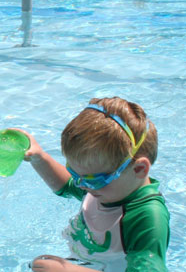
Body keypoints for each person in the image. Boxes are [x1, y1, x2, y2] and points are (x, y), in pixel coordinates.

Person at [16, 97, 170, 272]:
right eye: (75, 174)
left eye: (93, 179)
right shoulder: (106, 188)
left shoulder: (147, 217)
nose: (81, 185)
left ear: (139, 169)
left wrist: (69, 270)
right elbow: (67, 185)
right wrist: (39, 157)